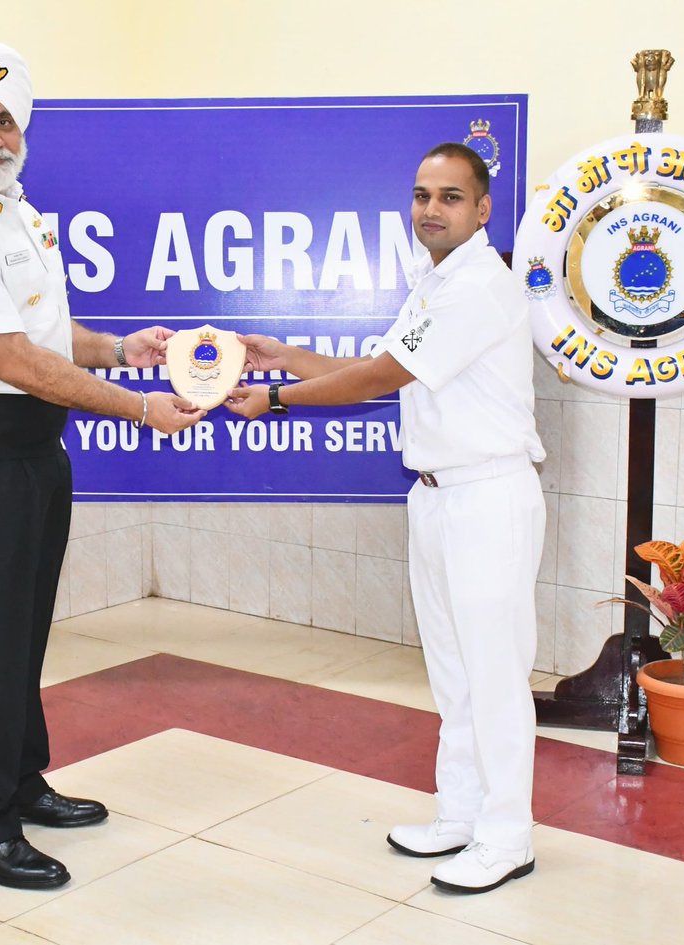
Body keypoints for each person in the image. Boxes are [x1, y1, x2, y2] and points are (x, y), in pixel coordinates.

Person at [0, 42, 203, 891]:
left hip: (33, 446)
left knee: (24, 629)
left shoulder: (17, 213)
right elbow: (11, 360)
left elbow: (49, 340)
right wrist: (140, 407)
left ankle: (21, 782)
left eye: (3, 120)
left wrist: (123, 350)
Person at [226, 143, 545, 895]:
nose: (431, 209)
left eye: (451, 197)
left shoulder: (477, 286)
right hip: (437, 496)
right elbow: (379, 365)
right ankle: (462, 814)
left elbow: (380, 375)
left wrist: (275, 397)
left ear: (483, 208)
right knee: (455, 673)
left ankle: (508, 835)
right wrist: (279, 355)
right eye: (422, 194)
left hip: (487, 498)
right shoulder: (434, 282)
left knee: (494, 675)